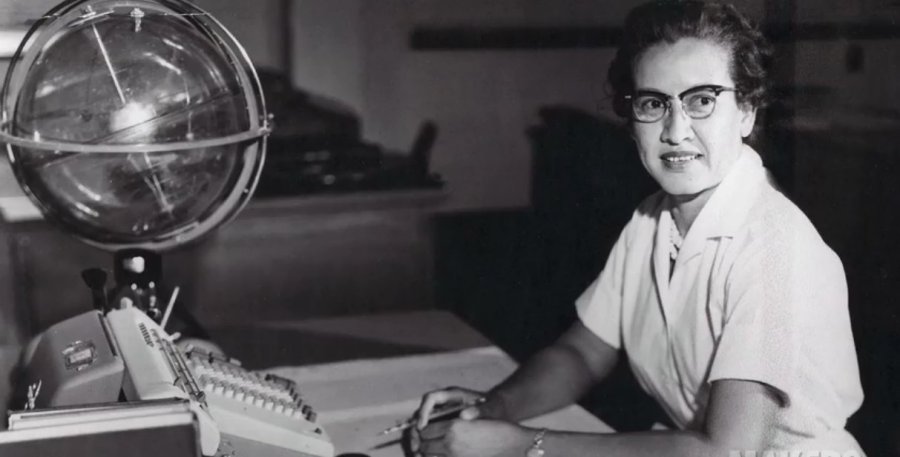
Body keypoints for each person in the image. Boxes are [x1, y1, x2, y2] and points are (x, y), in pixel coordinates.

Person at [410, 1, 865, 456]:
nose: (675, 130)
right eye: (653, 103)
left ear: (746, 111)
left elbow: (726, 452)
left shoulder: (775, 250)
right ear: (632, 124)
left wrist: (522, 445)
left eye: (701, 100)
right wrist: (495, 408)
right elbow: (583, 354)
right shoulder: (652, 219)